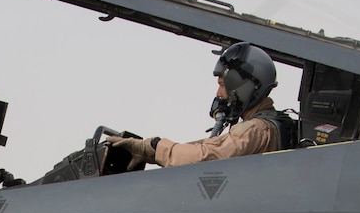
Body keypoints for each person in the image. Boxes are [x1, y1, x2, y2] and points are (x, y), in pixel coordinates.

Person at [108, 43, 293, 167]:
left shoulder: (256, 130)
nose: (218, 94)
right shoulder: (267, 125)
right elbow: (210, 147)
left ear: (241, 87)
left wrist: (157, 147)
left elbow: (208, 156)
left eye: (222, 85)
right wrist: (150, 151)